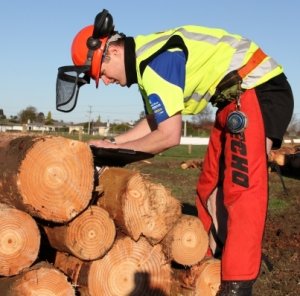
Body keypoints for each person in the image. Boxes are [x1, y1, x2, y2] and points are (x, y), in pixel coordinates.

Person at [56, 9, 294, 295]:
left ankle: (237, 284)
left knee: (241, 189)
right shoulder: (147, 62)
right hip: (231, 99)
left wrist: (119, 152)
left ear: (112, 51)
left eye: (102, 74)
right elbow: (155, 121)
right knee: (209, 189)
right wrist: (115, 145)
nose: (106, 81)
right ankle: (207, 265)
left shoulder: (156, 61)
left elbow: (168, 136)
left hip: (257, 88)